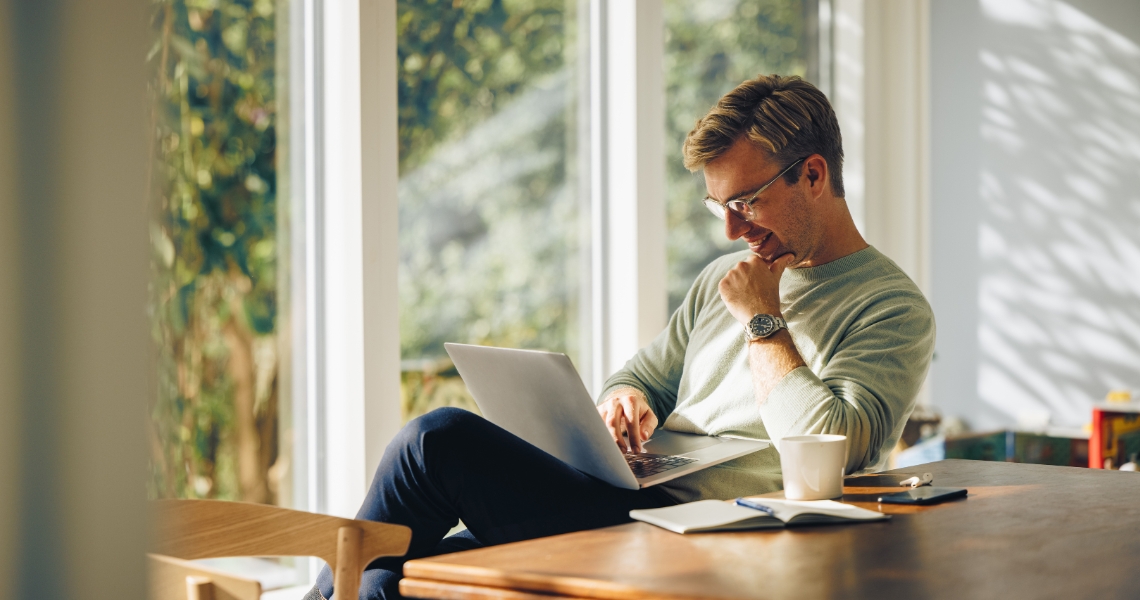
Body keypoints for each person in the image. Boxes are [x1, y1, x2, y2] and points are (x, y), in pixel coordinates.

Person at [304, 74, 934, 600]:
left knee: (435, 440)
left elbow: (832, 449)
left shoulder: (892, 309)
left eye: (746, 202)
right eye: (719, 207)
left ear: (814, 175)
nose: (730, 231)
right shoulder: (723, 278)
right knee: (385, 581)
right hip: (626, 497)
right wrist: (623, 401)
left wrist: (762, 321)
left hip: (707, 531)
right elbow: (641, 377)